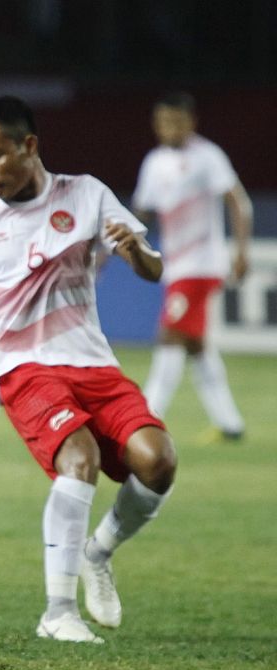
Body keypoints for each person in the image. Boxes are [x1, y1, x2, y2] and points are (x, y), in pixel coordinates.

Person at [0, 96, 177, 644]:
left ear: (29, 146)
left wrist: (135, 248)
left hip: (93, 362)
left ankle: (98, 552)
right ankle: (58, 612)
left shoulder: (86, 194)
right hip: (22, 368)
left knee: (158, 463)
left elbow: (152, 268)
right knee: (79, 458)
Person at [134, 92, 250, 441]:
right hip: (176, 265)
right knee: (196, 346)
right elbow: (144, 210)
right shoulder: (154, 162)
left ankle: (147, 417)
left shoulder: (207, 156)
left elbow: (238, 202)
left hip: (203, 265)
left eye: (176, 120)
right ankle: (230, 425)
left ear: (191, 122)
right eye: (163, 121)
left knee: (168, 334)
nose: (169, 127)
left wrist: (240, 251)